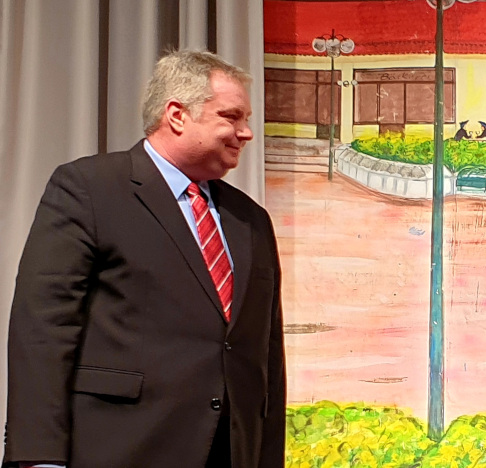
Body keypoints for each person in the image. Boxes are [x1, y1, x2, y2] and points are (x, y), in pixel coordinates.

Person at [5, 50, 286, 468]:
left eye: (246, 120)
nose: (246, 133)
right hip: (119, 448)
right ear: (177, 115)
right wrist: (38, 457)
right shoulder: (89, 189)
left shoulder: (251, 219)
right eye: (231, 117)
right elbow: (43, 329)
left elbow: (267, 357)